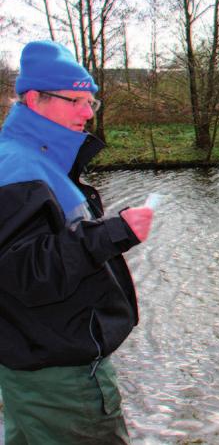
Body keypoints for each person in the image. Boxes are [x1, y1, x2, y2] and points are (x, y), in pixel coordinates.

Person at [0, 40, 153, 444]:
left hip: (39, 364)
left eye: (91, 103)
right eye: (76, 101)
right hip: (60, 377)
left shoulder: (35, 159)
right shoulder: (19, 168)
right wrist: (113, 232)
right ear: (35, 99)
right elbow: (24, 273)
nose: (88, 114)